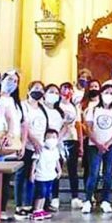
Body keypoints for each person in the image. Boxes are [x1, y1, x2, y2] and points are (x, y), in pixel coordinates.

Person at [83, 84, 112, 214]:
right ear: (101, 93)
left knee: (108, 173)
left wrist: (108, 143)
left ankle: (105, 200)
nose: (109, 96)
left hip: (111, 146)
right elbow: (88, 128)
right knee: (93, 173)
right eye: (107, 92)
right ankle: (88, 200)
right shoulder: (93, 110)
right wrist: (98, 143)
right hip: (94, 145)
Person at [17, 81, 49, 219]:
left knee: (33, 175)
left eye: (41, 89)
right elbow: (23, 125)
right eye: (36, 88)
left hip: (39, 147)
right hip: (27, 144)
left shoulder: (42, 108)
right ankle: (20, 205)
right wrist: (33, 140)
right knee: (22, 175)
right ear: (29, 89)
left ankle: (30, 204)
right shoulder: (23, 106)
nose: (39, 91)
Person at [0, 70, 26, 220]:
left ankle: (2, 209)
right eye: (10, 80)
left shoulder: (17, 103)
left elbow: (22, 124)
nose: (13, 84)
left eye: (16, 81)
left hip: (13, 143)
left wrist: (21, 144)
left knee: (6, 178)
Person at [42, 84, 67, 212]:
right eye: (51, 92)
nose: (54, 95)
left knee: (53, 174)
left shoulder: (59, 111)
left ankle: (51, 199)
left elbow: (64, 126)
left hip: (56, 145)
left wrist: (56, 139)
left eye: (56, 93)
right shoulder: (41, 109)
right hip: (42, 145)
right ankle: (40, 202)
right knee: (42, 175)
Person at [59, 82, 83, 209]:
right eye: (65, 88)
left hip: (71, 138)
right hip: (58, 139)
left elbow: (78, 125)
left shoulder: (75, 107)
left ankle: (75, 197)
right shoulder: (56, 105)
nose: (67, 91)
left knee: (73, 170)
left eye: (70, 89)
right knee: (56, 169)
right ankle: (54, 197)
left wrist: (81, 144)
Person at [30, 129, 62, 221]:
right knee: (40, 193)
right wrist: (32, 173)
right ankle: (36, 210)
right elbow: (34, 162)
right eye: (49, 137)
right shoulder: (40, 149)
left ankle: (41, 209)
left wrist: (59, 171)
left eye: (54, 137)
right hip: (40, 175)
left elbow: (57, 161)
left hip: (50, 175)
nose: (51, 140)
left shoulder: (55, 150)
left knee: (46, 193)